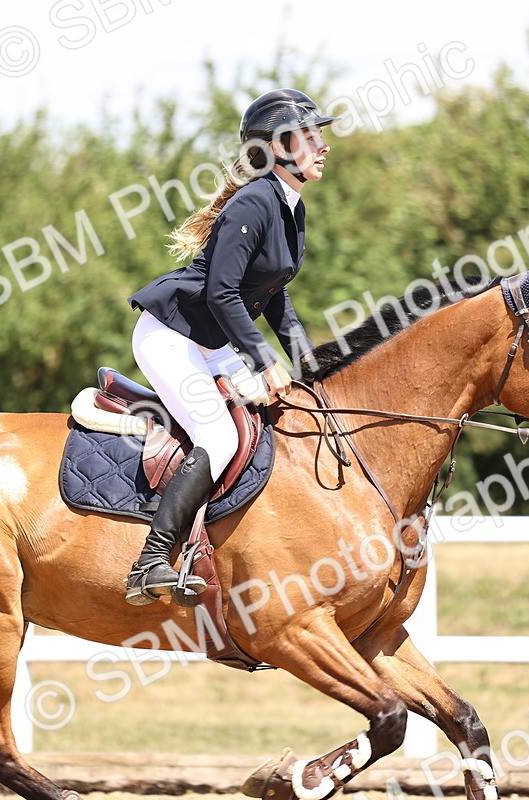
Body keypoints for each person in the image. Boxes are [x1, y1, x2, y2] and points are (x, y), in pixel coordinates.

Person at [123, 88, 335, 605]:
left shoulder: (290, 205)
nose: (323, 145)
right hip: (172, 335)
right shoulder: (256, 201)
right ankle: (151, 559)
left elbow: (274, 291)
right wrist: (262, 360)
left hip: (213, 338)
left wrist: (311, 362)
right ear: (280, 146)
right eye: (311, 136)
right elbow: (220, 290)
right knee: (218, 437)